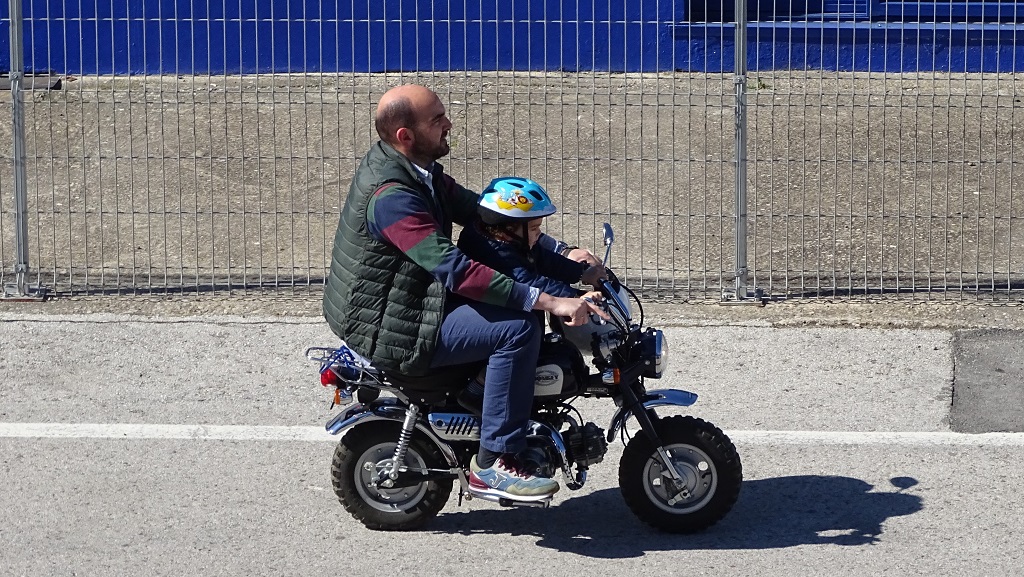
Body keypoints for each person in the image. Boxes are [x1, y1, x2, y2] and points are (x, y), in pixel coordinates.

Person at [323, 84, 607, 502]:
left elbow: (485, 213)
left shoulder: (416, 169)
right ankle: (495, 462)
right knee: (518, 326)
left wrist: (560, 250)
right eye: (436, 120)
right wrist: (548, 300)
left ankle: (483, 397)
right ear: (405, 135)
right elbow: (454, 270)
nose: (448, 124)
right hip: (394, 323)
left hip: (408, 300)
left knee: (517, 308)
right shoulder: (393, 198)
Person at [457, 176, 608, 322]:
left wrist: (581, 271)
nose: (539, 233)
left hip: (502, 308)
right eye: (534, 228)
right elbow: (528, 282)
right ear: (509, 227)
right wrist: (574, 296)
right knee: (526, 324)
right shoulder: (492, 252)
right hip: (486, 316)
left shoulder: (508, 241)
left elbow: (545, 259)